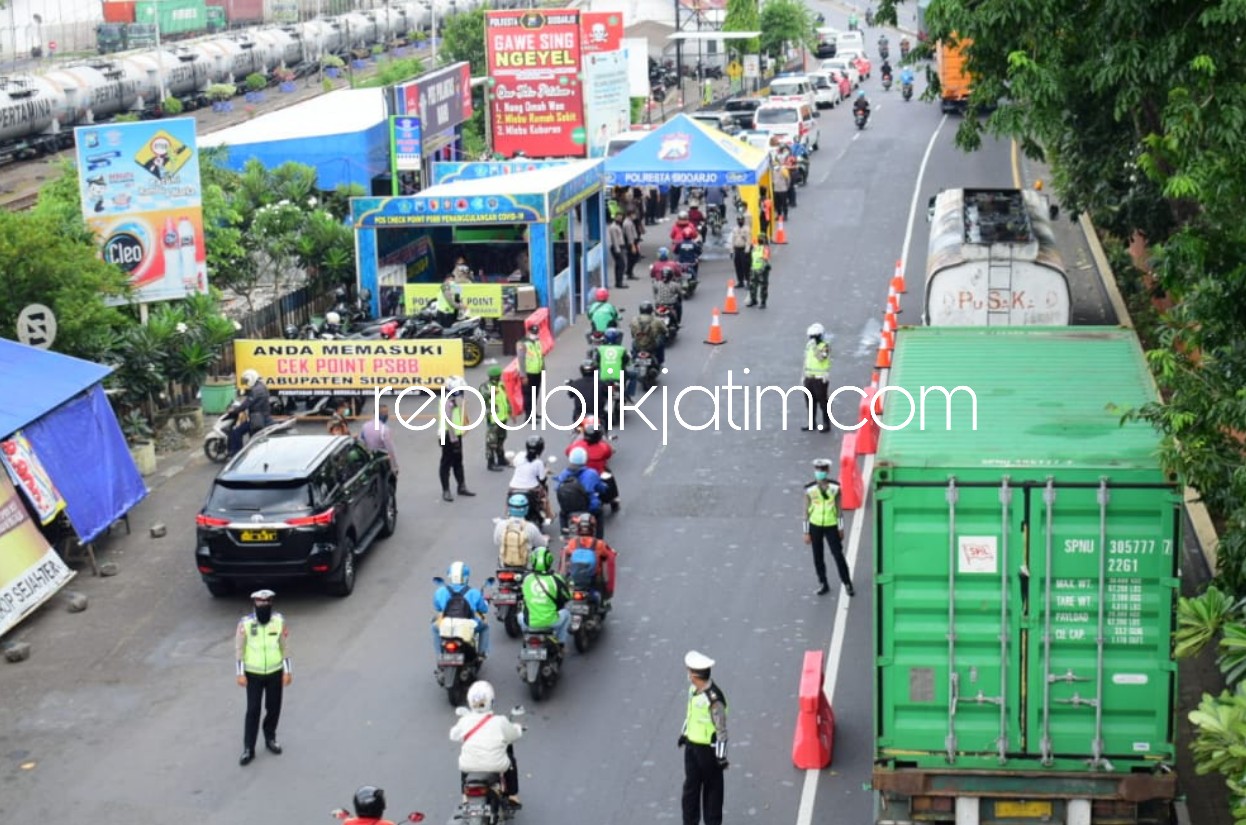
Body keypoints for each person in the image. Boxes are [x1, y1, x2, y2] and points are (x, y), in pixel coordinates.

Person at [236, 589, 291, 766]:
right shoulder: (245, 624)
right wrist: (240, 673)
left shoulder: (278, 621)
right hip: (253, 674)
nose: (263, 605)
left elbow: (285, 647)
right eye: (260, 602)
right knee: (253, 710)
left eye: (267, 602)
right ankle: (248, 748)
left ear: (271, 603)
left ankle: (270, 738)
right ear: (254, 604)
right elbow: (239, 650)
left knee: (273, 707)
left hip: (275, 672)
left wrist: (287, 671)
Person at [449, 681, 524, 807]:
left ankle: (465, 796)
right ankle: (512, 795)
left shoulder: (464, 721)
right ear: (491, 701)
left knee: (466, 761)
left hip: (468, 766)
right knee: (511, 760)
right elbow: (513, 736)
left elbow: (453, 735)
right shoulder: (500, 721)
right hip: (496, 765)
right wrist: (518, 728)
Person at [678, 650, 728, 825]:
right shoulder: (694, 690)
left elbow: (721, 730)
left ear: (695, 675)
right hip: (692, 748)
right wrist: (684, 734)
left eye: (689, 671)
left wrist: (721, 757)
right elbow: (691, 715)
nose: (688, 674)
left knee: (712, 791)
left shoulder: (714, 699)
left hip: (709, 751)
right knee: (690, 790)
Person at [804, 458, 853, 596]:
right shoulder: (810, 488)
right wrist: (806, 531)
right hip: (815, 525)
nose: (820, 472)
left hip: (831, 525)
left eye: (823, 469)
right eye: (818, 469)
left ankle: (847, 582)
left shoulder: (835, 487)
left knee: (838, 555)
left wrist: (841, 528)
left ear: (828, 470)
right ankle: (823, 583)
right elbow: (806, 511)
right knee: (817, 556)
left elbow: (838, 509)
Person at [432, 561, 491, 658]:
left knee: (434, 628)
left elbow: (437, 607)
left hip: (446, 624)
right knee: (485, 627)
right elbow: (484, 609)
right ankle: (481, 653)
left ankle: (439, 655)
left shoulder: (441, 591)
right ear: (466, 577)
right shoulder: (474, 593)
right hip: (467, 625)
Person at [520, 547, 572, 646]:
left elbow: (523, 594)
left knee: (519, 616)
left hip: (530, 622)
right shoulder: (556, 579)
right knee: (566, 614)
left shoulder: (527, 579)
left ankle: (527, 637)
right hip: (551, 621)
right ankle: (560, 642)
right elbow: (567, 596)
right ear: (549, 561)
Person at [561, 513, 618, 602]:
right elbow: (608, 554)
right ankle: (602, 601)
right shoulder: (599, 544)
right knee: (601, 584)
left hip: (574, 577)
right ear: (593, 528)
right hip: (593, 578)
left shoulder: (572, 542)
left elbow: (565, 553)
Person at [554, 447, 608, 537]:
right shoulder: (591, 473)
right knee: (599, 513)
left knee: (562, 514)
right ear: (585, 459)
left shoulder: (564, 473)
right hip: (589, 507)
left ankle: (564, 534)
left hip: (569, 508)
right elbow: (600, 488)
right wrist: (604, 488)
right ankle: (599, 539)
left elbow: (557, 488)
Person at [439, 377, 475, 502]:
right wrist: (454, 441)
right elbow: (449, 422)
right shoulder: (447, 402)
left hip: (455, 435)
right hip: (448, 436)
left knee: (458, 461)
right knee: (446, 464)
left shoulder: (452, 400)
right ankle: (446, 490)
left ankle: (462, 486)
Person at [228, 369, 274, 457]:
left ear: (251, 378)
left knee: (236, 431)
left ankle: (237, 455)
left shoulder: (256, 390)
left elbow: (246, 403)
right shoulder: (260, 386)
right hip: (261, 415)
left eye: (246, 381)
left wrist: (234, 411)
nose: (246, 383)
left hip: (258, 418)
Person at [495, 494, 549, 569]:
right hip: (526, 565)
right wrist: (545, 540)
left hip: (504, 564)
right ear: (526, 508)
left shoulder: (501, 525)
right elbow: (541, 544)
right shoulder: (530, 527)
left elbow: (497, 541)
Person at [508, 435, 554, 524]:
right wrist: (546, 471)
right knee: (544, 496)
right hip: (531, 489)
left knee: (508, 498)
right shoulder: (539, 463)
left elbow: (514, 463)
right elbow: (542, 479)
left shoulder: (520, 455)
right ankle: (549, 515)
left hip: (514, 487)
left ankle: (507, 515)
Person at [480, 366, 512, 472]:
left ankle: (501, 459)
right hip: (493, 419)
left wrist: (510, 411)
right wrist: (491, 393)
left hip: (502, 417)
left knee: (501, 438)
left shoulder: (501, 384)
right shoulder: (485, 386)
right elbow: (483, 396)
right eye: (498, 376)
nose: (499, 377)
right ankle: (491, 462)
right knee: (491, 441)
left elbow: (505, 398)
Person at [802, 324, 832, 432]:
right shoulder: (809, 346)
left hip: (820, 379)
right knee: (809, 402)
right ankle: (811, 423)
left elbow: (821, 358)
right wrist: (803, 376)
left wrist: (815, 347)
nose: (811, 339)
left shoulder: (825, 346)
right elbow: (806, 361)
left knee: (823, 402)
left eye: (814, 336)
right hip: (809, 378)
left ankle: (826, 424)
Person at [593, 329, 630, 412]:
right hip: (619, 377)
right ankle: (627, 395)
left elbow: (597, 361)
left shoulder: (600, 349)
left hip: (603, 377)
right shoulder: (622, 349)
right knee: (633, 374)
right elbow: (627, 361)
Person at [359, 403, 398, 475]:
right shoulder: (385, 430)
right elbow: (390, 450)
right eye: (385, 413)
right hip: (381, 460)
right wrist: (394, 467)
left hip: (368, 459)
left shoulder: (365, 426)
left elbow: (361, 441)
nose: (387, 415)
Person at [519, 323, 546, 422]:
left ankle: (533, 413)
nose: (535, 334)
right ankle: (528, 416)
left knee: (535, 394)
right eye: (533, 332)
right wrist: (523, 375)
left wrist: (543, 368)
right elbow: (521, 360)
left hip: (537, 372)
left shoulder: (537, 341)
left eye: (536, 332)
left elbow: (540, 355)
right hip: (528, 373)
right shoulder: (522, 343)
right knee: (528, 395)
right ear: (528, 332)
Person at [630, 301, 668, 367]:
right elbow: (665, 330)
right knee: (661, 340)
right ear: (651, 310)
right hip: (651, 346)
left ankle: (634, 358)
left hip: (638, 346)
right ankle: (660, 361)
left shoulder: (634, 320)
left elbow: (633, 334)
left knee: (633, 344)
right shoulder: (657, 320)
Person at [652, 257, 685, 328]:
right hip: (671, 304)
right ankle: (678, 322)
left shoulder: (656, 284)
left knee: (655, 311)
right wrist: (681, 298)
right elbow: (680, 294)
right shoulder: (675, 285)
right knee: (679, 306)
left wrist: (657, 299)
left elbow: (655, 292)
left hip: (659, 303)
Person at [747, 235, 771, 309]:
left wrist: (763, 269)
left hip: (762, 270)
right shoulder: (755, 248)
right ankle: (753, 300)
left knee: (763, 286)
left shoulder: (765, 248)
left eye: (762, 239)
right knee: (752, 285)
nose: (760, 240)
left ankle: (763, 302)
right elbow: (752, 257)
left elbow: (766, 258)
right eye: (759, 239)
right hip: (754, 269)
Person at [729, 214, 752, 291]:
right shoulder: (735, 229)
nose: (740, 221)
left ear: (744, 221)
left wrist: (747, 250)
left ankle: (748, 281)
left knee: (746, 266)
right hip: (737, 249)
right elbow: (732, 241)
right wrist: (731, 251)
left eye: (741, 220)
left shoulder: (747, 229)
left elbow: (748, 241)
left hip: (744, 250)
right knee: (738, 266)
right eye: (738, 220)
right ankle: (740, 281)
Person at [608, 212, 628, 289]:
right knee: (621, 265)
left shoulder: (618, 225)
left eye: (621, 217)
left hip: (620, 246)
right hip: (617, 247)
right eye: (618, 217)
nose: (620, 218)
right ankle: (619, 282)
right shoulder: (613, 227)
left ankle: (619, 281)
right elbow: (614, 239)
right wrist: (617, 249)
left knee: (619, 265)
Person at [623, 210, 642, 280]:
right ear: (630, 215)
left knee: (633, 258)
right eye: (634, 215)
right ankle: (629, 272)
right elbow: (629, 235)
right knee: (633, 258)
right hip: (631, 243)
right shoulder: (627, 223)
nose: (635, 216)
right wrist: (632, 245)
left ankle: (629, 272)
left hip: (633, 242)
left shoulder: (630, 222)